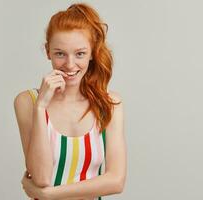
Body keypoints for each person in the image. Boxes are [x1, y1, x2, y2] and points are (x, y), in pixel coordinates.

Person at [14, 3, 127, 200]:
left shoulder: (109, 104)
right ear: (48, 51)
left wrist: (49, 195)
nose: (70, 64)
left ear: (92, 53)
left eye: (80, 53)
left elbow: (116, 181)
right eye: (60, 53)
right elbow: (41, 177)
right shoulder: (28, 102)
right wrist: (41, 107)